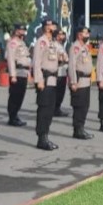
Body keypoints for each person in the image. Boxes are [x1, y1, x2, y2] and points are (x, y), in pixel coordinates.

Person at [33, 19, 60, 150]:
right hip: (44, 81)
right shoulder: (41, 42)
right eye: (52, 26)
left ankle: (46, 136)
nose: (55, 28)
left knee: (49, 110)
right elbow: (37, 62)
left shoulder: (52, 43)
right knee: (43, 110)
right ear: (46, 28)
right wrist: (39, 80)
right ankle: (41, 138)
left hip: (52, 81)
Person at [68, 26, 94, 139]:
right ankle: (78, 130)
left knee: (85, 106)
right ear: (79, 35)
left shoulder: (84, 47)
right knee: (79, 106)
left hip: (86, 82)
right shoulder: (75, 47)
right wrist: (73, 82)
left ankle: (81, 128)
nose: (87, 35)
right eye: (85, 33)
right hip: (79, 82)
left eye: (88, 33)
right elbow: (72, 65)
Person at [6, 23, 30, 126]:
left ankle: (15, 115)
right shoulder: (13, 43)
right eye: (21, 30)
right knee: (15, 96)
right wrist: (12, 75)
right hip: (17, 72)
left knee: (20, 95)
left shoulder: (22, 43)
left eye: (24, 30)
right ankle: (12, 117)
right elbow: (11, 59)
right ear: (16, 31)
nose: (23, 32)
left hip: (24, 72)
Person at [54, 29, 70, 117]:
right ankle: (55, 109)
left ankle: (57, 108)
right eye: (61, 35)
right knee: (58, 92)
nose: (63, 36)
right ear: (57, 36)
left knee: (61, 92)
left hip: (63, 71)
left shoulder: (61, 45)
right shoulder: (54, 45)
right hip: (58, 71)